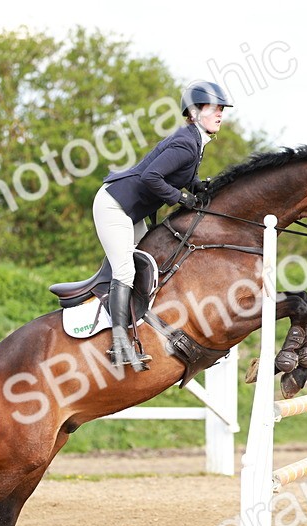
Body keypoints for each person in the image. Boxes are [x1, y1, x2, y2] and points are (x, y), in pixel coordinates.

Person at [93, 80, 232, 370]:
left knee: (154, 265)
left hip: (130, 210)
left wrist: (202, 188)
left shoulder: (195, 141)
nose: (220, 113)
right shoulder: (185, 142)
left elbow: (181, 177)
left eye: (222, 108)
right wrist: (181, 199)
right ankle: (119, 345)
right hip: (114, 206)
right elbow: (151, 177)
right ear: (195, 113)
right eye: (214, 108)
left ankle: (149, 327)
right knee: (126, 270)